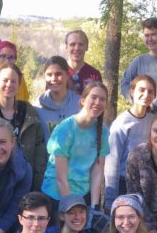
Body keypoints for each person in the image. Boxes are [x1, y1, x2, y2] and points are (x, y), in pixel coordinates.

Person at [41, 81, 109, 209]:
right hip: (57, 195)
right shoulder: (65, 128)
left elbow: (98, 170)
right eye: (93, 97)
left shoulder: (103, 131)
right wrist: (71, 208)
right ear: (83, 100)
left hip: (83, 194)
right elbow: (60, 177)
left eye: (102, 99)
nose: (98, 102)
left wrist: (94, 205)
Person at [105, 74, 157, 205]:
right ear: (132, 92)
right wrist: (110, 199)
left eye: (150, 91)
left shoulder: (153, 120)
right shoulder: (122, 123)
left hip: (147, 184)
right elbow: (112, 162)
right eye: (142, 90)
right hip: (125, 184)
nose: (146, 94)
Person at [33, 56, 81, 139]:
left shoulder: (80, 104)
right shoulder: (37, 107)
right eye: (49, 75)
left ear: (67, 75)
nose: (53, 78)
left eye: (58, 74)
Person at [65, 29, 102, 94]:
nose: (77, 48)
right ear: (66, 47)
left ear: (87, 47)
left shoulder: (94, 74)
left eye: (81, 44)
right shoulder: (58, 72)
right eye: (72, 44)